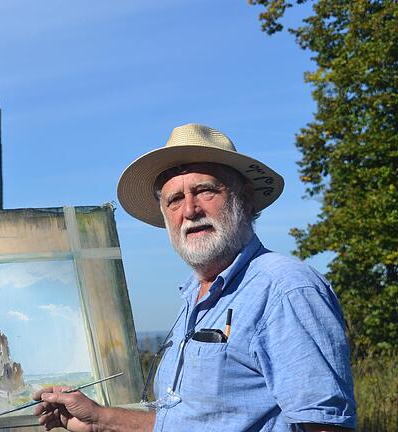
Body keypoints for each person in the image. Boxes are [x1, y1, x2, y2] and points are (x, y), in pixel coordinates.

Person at [32, 124, 356, 431]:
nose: (189, 210)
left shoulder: (285, 289)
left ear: (244, 199)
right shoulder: (193, 297)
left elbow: (326, 425)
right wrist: (99, 420)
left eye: (204, 191)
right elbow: (190, 422)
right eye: (174, 199)